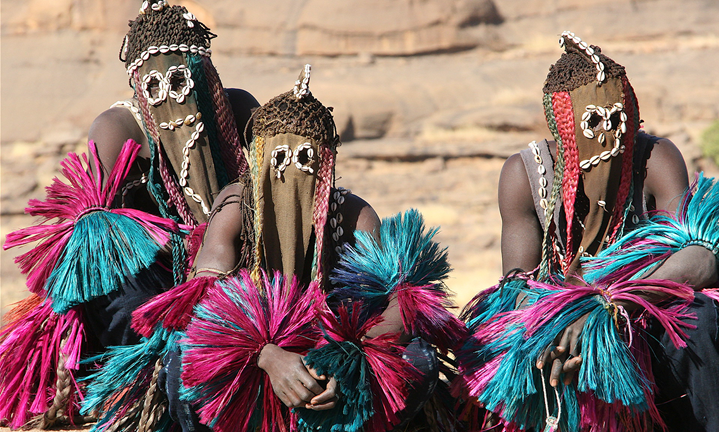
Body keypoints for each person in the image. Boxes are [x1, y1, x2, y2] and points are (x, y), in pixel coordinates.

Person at [82, 65, 467, 432]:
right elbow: (203, 303)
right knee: (181, 358)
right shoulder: (236, 207)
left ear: (327, 164)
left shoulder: (352, 215)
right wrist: (267, 355)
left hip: (329, 360)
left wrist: (346, 359)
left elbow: (401, 300)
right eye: (279, 159)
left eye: (306, 160)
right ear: (258, 159)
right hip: (251, 357)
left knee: (418, 359)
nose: (290, 174)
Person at [458, 31, 719, 432]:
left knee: (702, 320)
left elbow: (699, 257)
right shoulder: (524, 175)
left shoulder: (655, 158)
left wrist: (608, 304)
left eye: (620, 119)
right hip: (557, 316)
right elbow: (517, 283)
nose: (611, 135)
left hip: (648, 306)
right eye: (593, 122)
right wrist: (555, 327)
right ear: (564, 126)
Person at [0, 0, 257, 428]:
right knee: (123, 301)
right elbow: (102, 235)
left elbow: (278, 184)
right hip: (157, 267)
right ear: (139, 85)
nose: (172, 98)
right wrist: (185, 245)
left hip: (238, 251)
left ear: (205, 73)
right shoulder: (117, 129)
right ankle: (138, 393)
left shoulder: (236, 109)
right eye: (154, 86)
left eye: (183, 80)